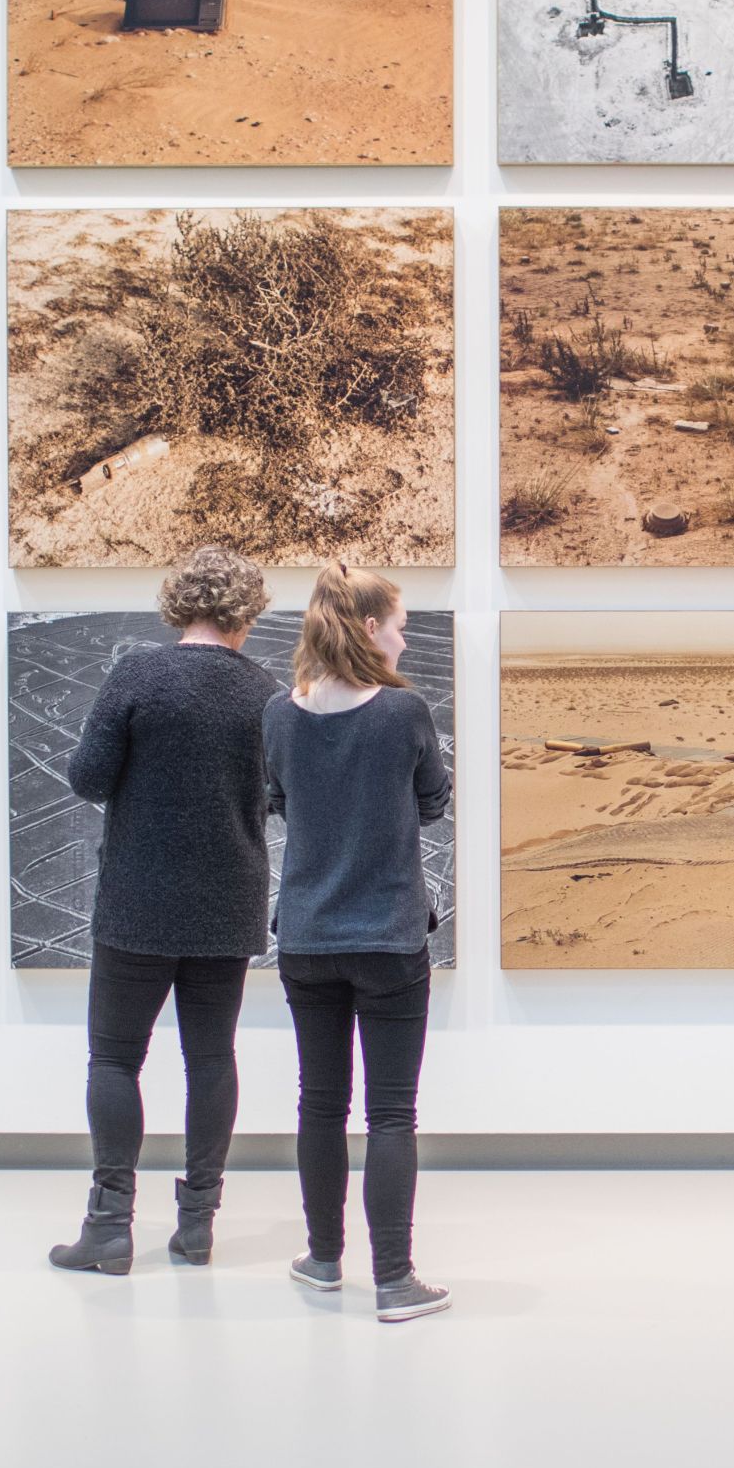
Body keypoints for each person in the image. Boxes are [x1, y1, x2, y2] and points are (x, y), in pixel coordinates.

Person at [49, 545, 275, 1277]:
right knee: (211, 1059)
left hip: (138, 902)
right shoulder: (266, 692)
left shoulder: (138, 674)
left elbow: (88, 779)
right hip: (228, 900)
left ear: (179, 602)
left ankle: (109, 1226)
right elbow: (280, 797)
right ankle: (199, 1225)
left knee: (116, 1058)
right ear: (246, 610)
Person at [265, 560, 454, 1321]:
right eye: (401, 625)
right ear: (371, 628)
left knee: (319, 1104)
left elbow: (276, 799)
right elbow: (435, 803)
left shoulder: (280, 714)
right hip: (388, 938)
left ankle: (321, 1258)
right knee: (391, 1114)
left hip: (307, 938)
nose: (406, 640)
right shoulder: (402, 715)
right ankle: (394, 1279)